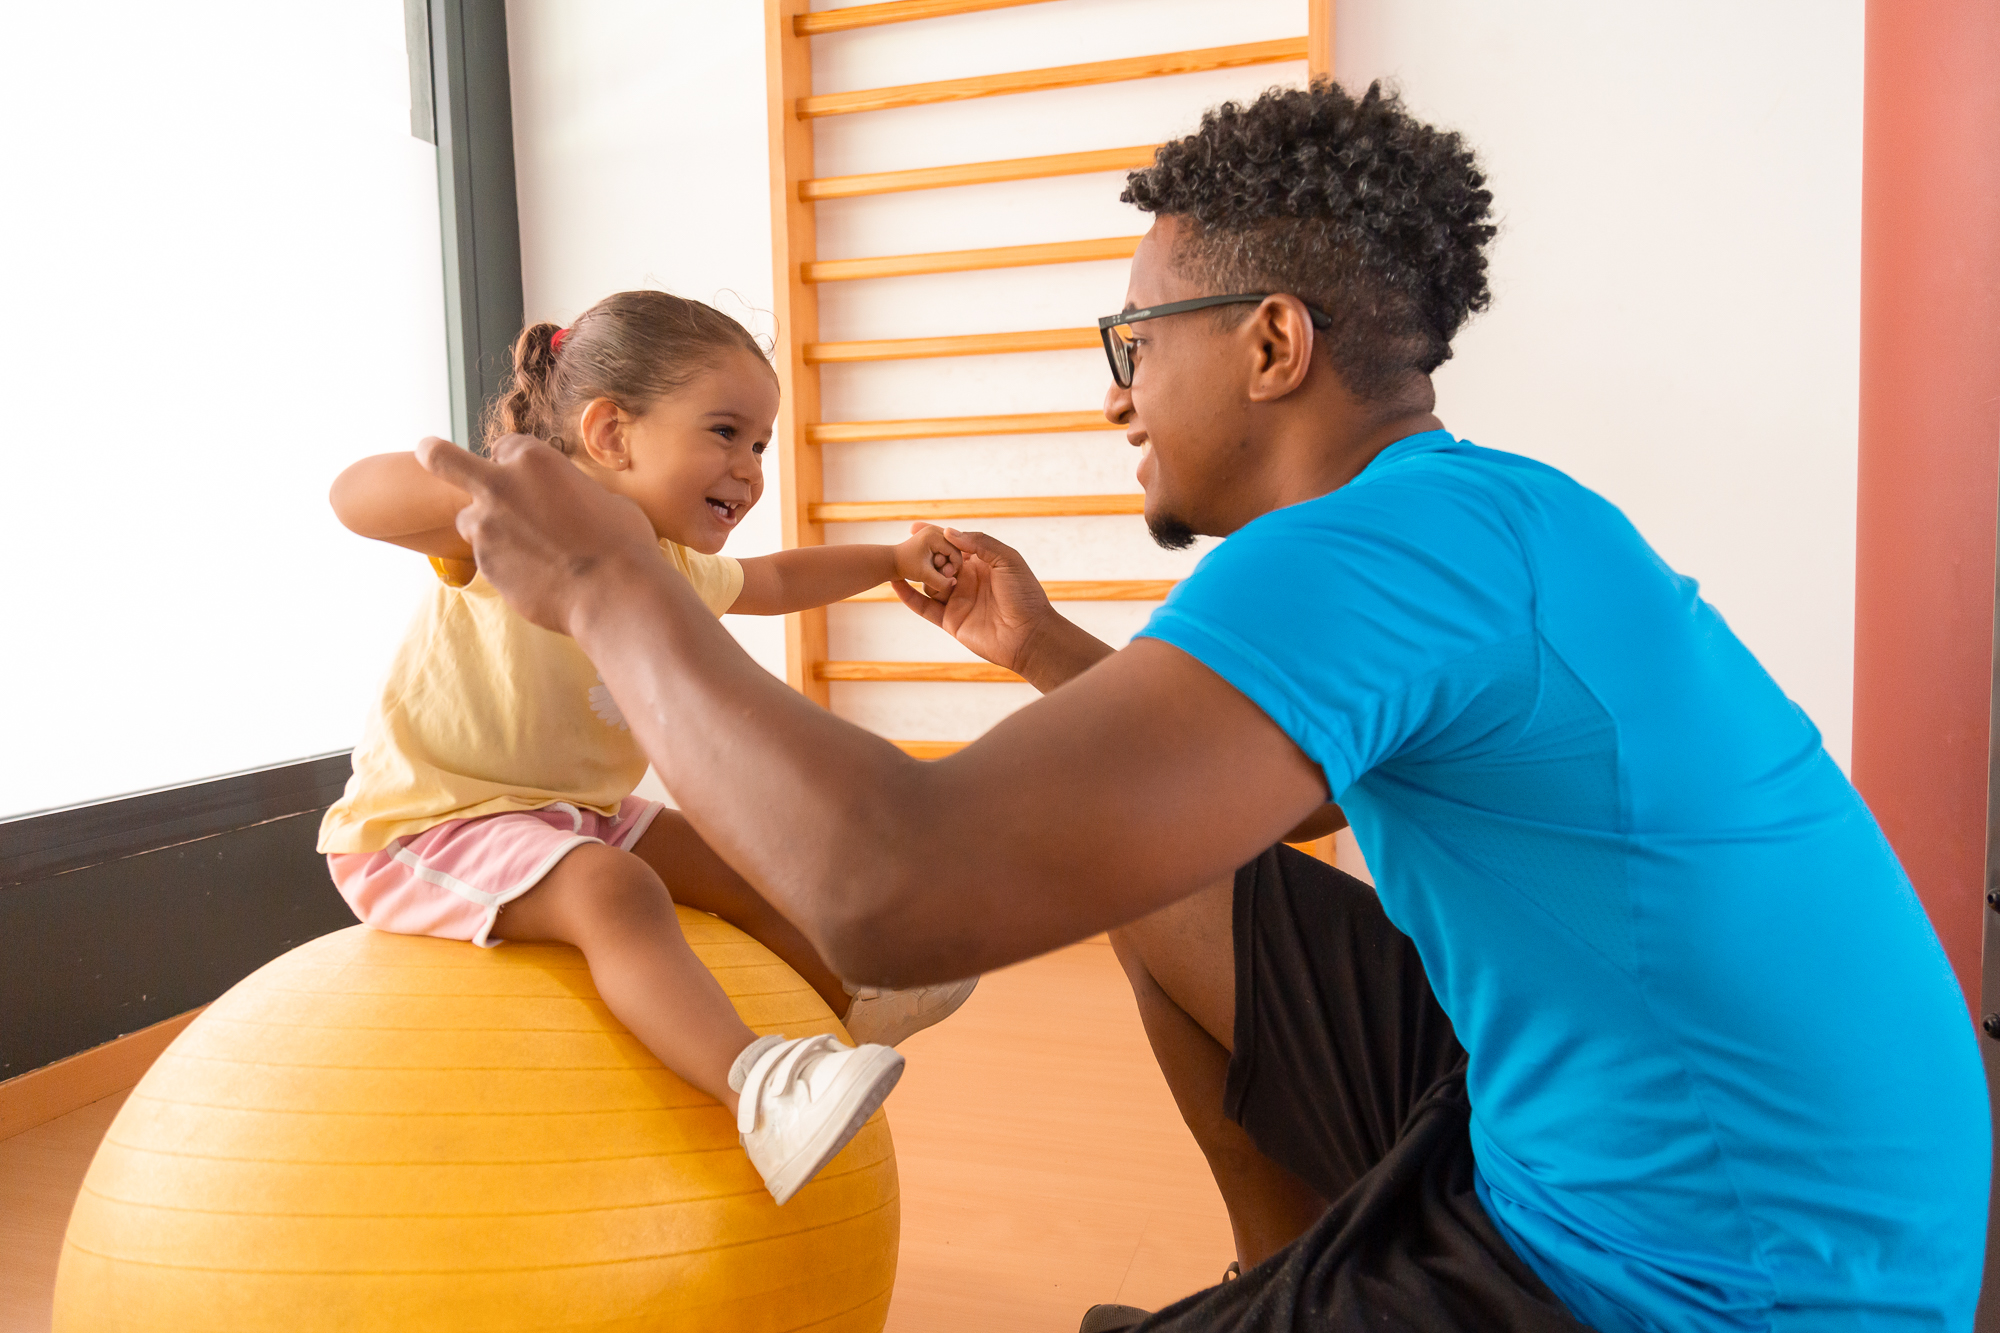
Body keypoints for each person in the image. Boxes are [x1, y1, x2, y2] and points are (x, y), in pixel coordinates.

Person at [415, 83, 1989, 1332]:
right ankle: (1283, 1281)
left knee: (1056, 859)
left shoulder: (1357, 554)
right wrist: (1039, 649)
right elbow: (1278, 806)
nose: (1113, 393)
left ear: (1272, 341)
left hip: (1710, 1283)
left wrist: (611, 587)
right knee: (1167, 875)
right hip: (1743, 1173)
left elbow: (893, 894)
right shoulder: (1488, 511)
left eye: (1132, 343)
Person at [317, 290, 976, 1205]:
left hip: (568, 809)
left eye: (760, 445)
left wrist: (891, 558)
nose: (749, 470)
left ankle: (853, 1002)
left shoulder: (663, 560)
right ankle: (756, 1089)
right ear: (610, 433)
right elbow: (354, 498)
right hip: (427, 826)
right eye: (725, 432)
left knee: (743, 860)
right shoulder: (515, 527)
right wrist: (474, 485)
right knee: (610, 886)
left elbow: (777, 578)